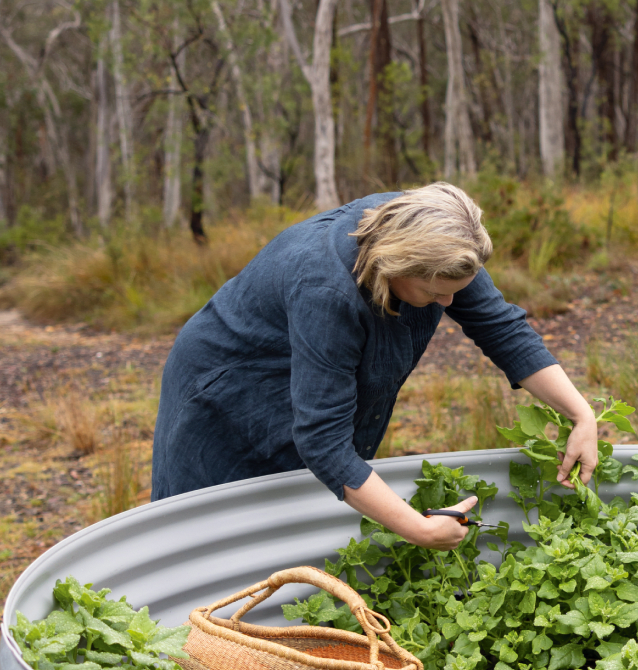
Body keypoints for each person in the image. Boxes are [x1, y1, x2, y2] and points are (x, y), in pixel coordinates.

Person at [151, 182, 599, 548]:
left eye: (456, 291)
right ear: (395, 268)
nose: (449, 304)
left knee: (311, 513)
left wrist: (580, 413)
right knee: (219, 534)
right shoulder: (327, 290)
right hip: (229, 389)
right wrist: (419, 529)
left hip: (305, 361)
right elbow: (323, 441)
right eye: (435, 295)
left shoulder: (440, 239)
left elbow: (502, 330)